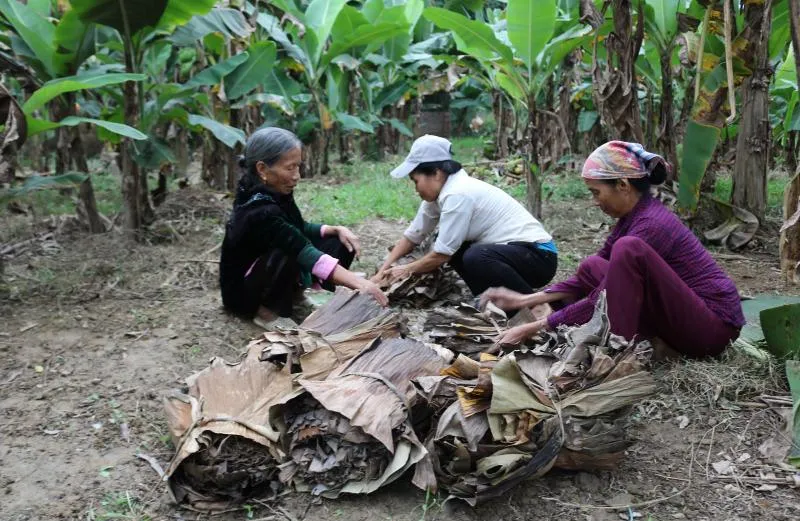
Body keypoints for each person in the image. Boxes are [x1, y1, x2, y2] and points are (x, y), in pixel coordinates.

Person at [481, 141, 745, 358]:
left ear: (623, 185)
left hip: (712, 330)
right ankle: (653, 340)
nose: (594, 202)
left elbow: (602, 295)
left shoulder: (651, 225)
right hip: (689, 318)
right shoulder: (632, 218)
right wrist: (526, 299)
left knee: (627, 250)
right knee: (591, 266)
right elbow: (595, 274)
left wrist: (533, 327)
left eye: (596, 193)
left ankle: (621, 349)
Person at [220, 127, 387, 326]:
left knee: (337, 242)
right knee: (289, 251)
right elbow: (300, 248)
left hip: (267, 266)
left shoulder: (274, 190)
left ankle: (295, 295)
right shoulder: (257, 209)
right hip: (243, 291)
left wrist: (333, 229)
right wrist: (358, 283)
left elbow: (295, 227)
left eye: (298, 167)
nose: (297, 175)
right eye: (290, 168)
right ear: (262, 169)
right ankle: (264, 311)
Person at [373, 135, 558, 298]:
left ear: (436, 173)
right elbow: (413, 235)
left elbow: (441, 255)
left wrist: (405, 270)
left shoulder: (457, 194)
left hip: (539, 257)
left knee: (474, 256)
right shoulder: (440, 195)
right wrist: (382, 271)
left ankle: (533, 305)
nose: (416, 189)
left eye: (416, 181)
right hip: (517, 254)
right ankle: (490, 300)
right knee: (458, 248)